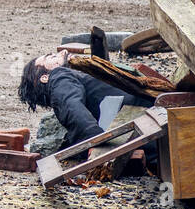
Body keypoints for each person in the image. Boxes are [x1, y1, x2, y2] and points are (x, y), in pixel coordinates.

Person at [19, 50, 155, 150]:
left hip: (149, 125)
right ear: (44, 78)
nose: (63, 52)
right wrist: (96, 138)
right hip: (152, 126)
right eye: (52, 57)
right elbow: (70, 105)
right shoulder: (58, 76)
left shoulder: (70, 76)